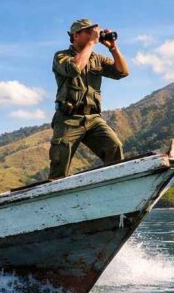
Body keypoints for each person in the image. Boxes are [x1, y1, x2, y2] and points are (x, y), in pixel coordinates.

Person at [48, 18, 130, 180]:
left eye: (95, 31)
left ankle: (112, 189)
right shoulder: (61, 56)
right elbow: (74, 69)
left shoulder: (97, 58)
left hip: (93, 118)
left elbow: (122, 72)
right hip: (68, 119)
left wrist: (113, 48)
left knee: (114, 147)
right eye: (88, 31)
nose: (94, 34)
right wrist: (92, 43)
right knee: (60, 165)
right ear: (75, 35)